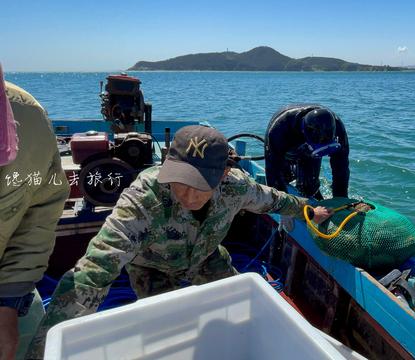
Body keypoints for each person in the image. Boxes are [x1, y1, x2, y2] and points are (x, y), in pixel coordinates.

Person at [28, 125, 331, 356]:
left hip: (207, 257)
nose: (186, 195)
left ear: (224, 173)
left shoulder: (237, 188)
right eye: (180, 181)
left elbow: (273, 200)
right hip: (152, 269)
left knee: (240, 309)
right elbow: (97, 266)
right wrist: (44, 349)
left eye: (199, 186)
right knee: (166, 334)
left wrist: (309, 210)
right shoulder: (145, 196)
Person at [0, 64, 70, 360]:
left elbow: (41, 207)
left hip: (8, 283)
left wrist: (8, 303)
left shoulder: (27, 116)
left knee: (37, 340)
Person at [264, 104, 349, 200]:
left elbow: (341, 168)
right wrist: (283, 207)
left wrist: (341, 200)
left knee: (309, 188)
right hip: (287, 145)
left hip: (313, 149)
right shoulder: (278, 129)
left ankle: (314, 196)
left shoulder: (337, 126)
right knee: (283, 178)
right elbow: (273, 172)